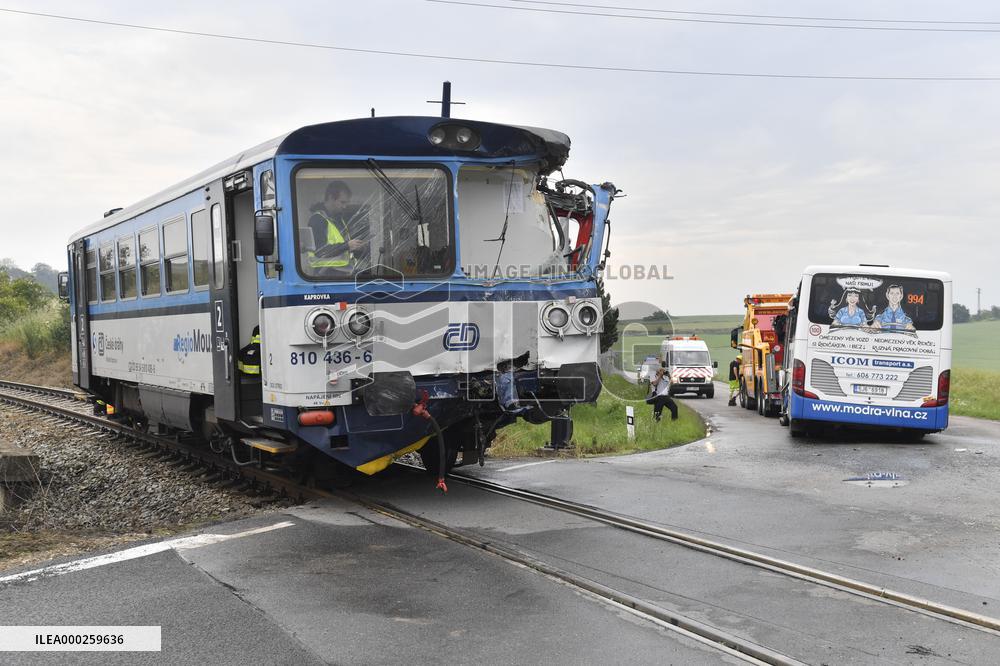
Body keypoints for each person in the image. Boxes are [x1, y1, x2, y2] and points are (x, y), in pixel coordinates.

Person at [306, 181, 367, 273]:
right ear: (331, 198)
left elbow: (343, 250)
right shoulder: (317, 220)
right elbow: (319, 250)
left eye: (346, 203)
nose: (345, 206)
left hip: (341, 273)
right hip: (324, 276)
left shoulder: (339, 220)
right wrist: (347, 245)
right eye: (342, 202)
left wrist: (357, 247)